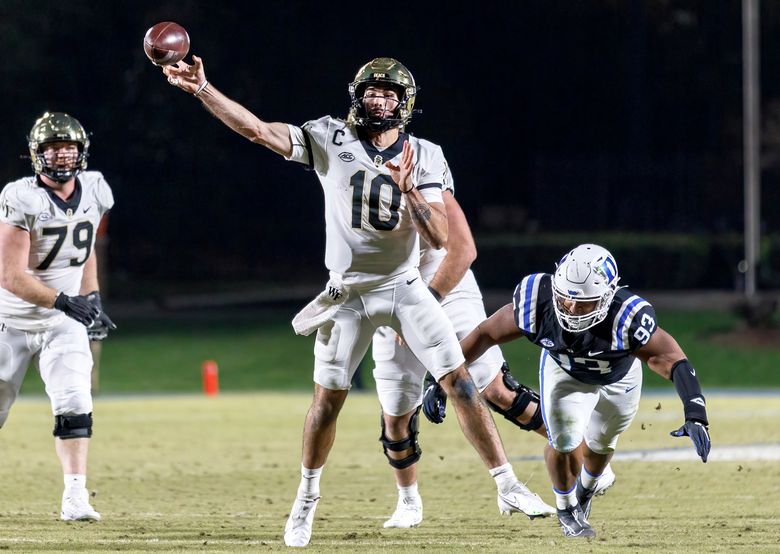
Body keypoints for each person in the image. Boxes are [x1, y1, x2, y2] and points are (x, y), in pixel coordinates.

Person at [161, 55, 554, 547]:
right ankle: (305, 500)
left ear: (404, 104)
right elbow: (258, 131)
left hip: (404, 284)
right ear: (357, 95)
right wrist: (203, 89)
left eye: (389, 94)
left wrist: (410, 190)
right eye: (371, 91)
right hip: (347, 290)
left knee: (461, 382)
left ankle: (508, 485)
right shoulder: (329, 136)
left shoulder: (427, 155)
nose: (378, 100)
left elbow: (439, 240)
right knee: (328, 401)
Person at [372, 187, 601, 529]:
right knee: (396, 417)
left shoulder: (422, 158)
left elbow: (462, 248)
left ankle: (571, 459)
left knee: (496, 388)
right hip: (389, 292)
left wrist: (425, 307)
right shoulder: (345, 172)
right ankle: (408, 503)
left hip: (443, 282)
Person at [458, 243, 711, 538]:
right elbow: (486, 333)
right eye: (565, 300)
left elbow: (673, 360)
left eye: (585, 303)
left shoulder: (625, 316)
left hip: (620, 378)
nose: (573, 310)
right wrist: (443, 378)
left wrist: (695, 413)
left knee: (601, 445)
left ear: (607, 296)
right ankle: (566, 509)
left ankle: (585, 493)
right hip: (564, 374)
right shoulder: (536, 302)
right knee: (563, 441)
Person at [0, 112, 116, 521]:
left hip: (60, 322)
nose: (62, 155)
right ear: (37, 154)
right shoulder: (20, 196)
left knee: (75, 401)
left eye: (69, 147)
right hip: (10, 321)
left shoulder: (96, 189)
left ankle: (75, 496)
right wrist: (67, 302)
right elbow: (11, 276)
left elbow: (83, 257)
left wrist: (93, 297)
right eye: (53, 148)